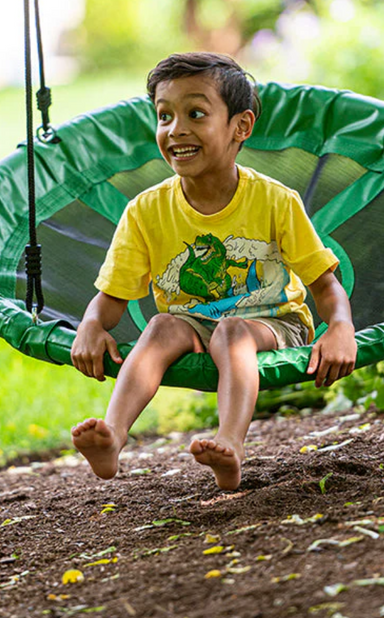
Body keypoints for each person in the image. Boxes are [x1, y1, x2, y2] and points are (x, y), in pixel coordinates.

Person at [70, 52, 357, 490]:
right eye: (164, 116)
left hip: (273, 320)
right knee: (163, 324)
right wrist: (91, 324)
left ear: (240, 127)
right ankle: (113, 437)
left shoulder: (275, 200)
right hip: (193, 321)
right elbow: (112, 296)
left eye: (195, 113)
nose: (176, 129)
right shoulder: (146, 210)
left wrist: (339, 326)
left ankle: (231, 444)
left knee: (232, 333)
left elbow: (324, 283)